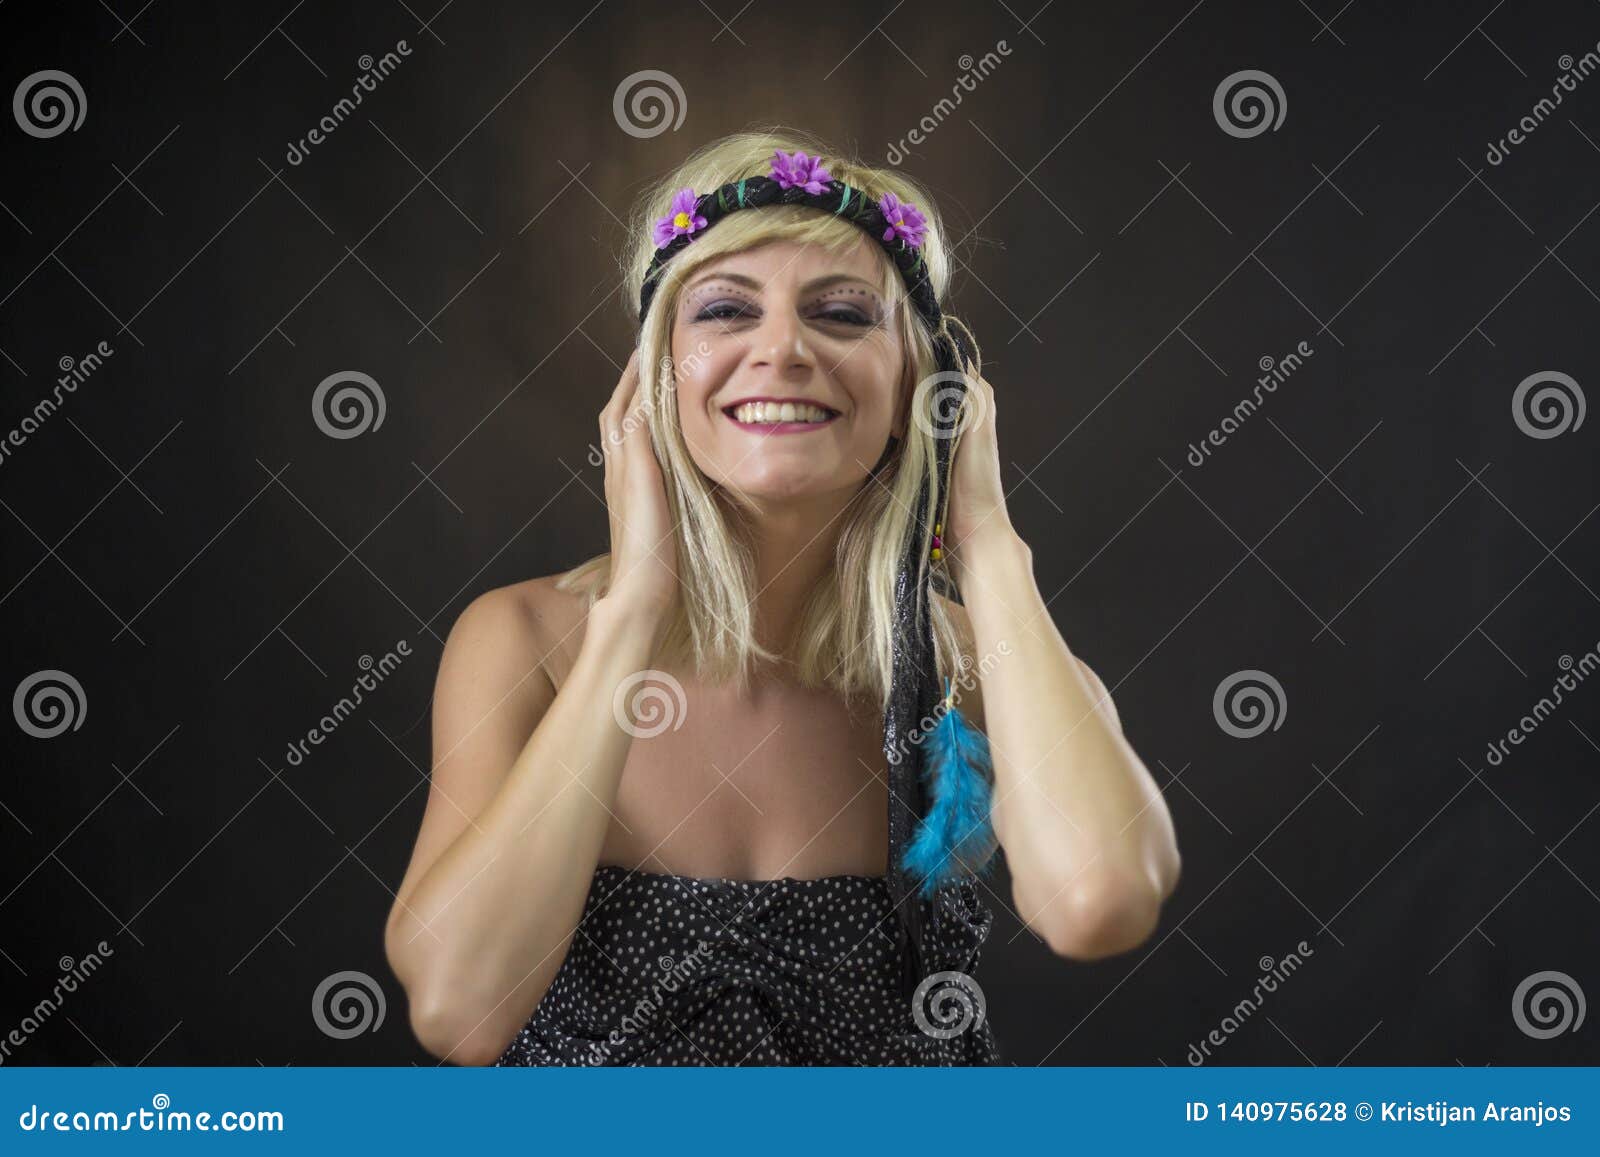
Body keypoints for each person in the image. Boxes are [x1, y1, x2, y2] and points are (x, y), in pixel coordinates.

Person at [383, 128, 1181, 1066]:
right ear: (653, 379)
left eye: (842, 313)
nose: (784, 349)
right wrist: (636, 605)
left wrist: (989, 547)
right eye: (725, 310)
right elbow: (459, 1012)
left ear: (921, 383)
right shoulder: (526, 639)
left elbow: (1101, 899)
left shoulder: (969, 660)